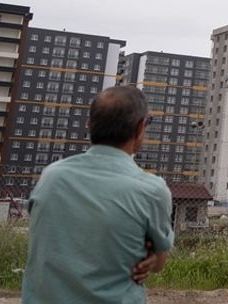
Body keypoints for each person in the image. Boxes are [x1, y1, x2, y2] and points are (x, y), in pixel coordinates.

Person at [23, 86, 173, 303]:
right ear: (140, 128)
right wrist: (150, 255)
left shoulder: (51, 176)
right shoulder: (152, 190)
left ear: (89, 126)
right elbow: (159, 262)